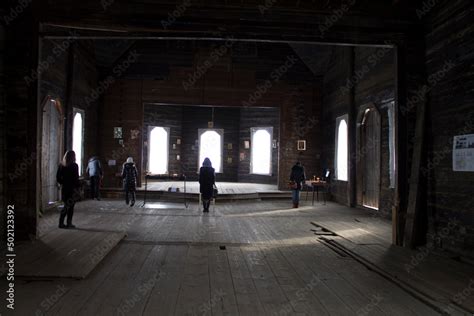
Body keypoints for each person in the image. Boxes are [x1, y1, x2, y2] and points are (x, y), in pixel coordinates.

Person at [56, 150, 80, 228]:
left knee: (66, 206)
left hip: (65, 189)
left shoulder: (61, 165)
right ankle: (69, 223)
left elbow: (58, 178)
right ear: (73, 157)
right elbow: (76, 179)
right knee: (71, 207)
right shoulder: (74, 165)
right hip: (72, 189)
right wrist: (78, 188)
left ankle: (61, 223)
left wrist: (64, 183)